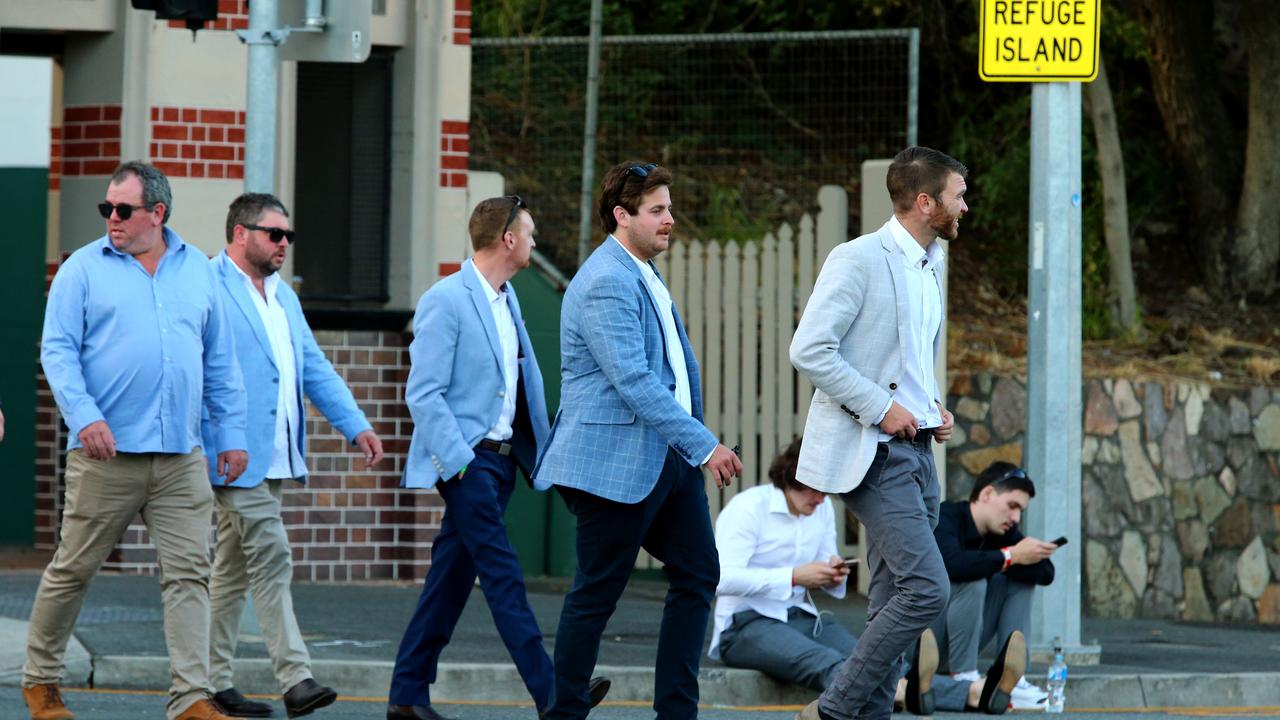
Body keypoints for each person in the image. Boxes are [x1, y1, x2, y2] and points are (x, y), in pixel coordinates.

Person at [28, 161, 248, 720]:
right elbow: (57, 351)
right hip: (106, 454)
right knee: (73, 569)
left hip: (180, 456)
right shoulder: (82, 268)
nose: (112, 219)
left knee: (189, 575)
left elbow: (219, 359)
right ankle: (41, 682)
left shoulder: (198, 270)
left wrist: (230, 433)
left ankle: (191, 697)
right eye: (107, 208)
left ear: (158, 213)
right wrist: (85, 417)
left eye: (123, 209)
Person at [535, 160, 743, 720]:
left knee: (698, 575)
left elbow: (671, 371)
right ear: (622, 216)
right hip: (615, 463)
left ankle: (676, 712)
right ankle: (564, 712)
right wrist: (705, 444)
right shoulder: (606, 279)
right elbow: (633, 379)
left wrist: (689, 445)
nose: (670, 219)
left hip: (666, 459)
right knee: (597, 593)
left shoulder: (641, 271)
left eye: (669, 208)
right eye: (657, 211)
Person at [389, 197, 608, 720]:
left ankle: (405, 695)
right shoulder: (447, 299)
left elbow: (523, 389)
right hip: (469, 464)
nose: (534, 242)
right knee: (504, 574)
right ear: (507, 238)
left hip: (503, 463)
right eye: (529, 233)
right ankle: (552, 693)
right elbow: (423, 393)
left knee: (450, 581)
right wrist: (460, 463)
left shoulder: (507, 299)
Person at [789, 146, 965, 720]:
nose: (964, 206)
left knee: (891, 599)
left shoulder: (931, 264)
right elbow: (810, 349)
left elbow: (909, 359)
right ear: (924, 202)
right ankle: (831, 710)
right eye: (956, 196)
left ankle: (866, 715)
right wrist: (881, 407)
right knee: (926, 590)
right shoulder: (858, 258)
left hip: (917, 454)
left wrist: (929, 406)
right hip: (874, 453)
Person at [203, 193, 385, 719]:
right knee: (273, 553)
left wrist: (356, 426)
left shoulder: (283, 296)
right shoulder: (209, 287)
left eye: (288, 236)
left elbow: (313, 366)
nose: (284, 243)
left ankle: (212, 683)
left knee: (234, 571)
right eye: (273, 234)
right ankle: (296, 677)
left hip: (277, 456)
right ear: (240, 233)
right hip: (233, 456)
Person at [712, 439, 1019, 716]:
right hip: (745, 624)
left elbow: (826, 568)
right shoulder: (750, 506)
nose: (821, 499)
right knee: (834, 665)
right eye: (814, 490)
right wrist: (794, 577)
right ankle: (964, 693)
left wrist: (833, 574)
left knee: (872, 656)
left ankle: (956, 692)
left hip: (804, 618)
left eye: (825, 491)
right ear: (792, 476)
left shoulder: (821, 510)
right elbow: (719, 578)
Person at [931, 461, 1057, 711]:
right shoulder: (945, 516)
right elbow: (952, 564)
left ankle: (1012, 678)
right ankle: (965, 678)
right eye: (1012, 506)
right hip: (922, 642)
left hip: (962, 640)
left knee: (1020, 579)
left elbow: (1046, 573)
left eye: (1020, 510)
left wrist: (1023, 555)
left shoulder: (1003, 532)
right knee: (974, 579)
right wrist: (1010, 556)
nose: (1016, 517)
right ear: (987, 494)